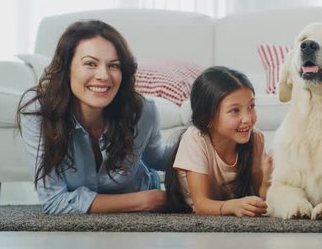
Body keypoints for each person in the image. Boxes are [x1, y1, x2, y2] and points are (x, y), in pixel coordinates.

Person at [18, 20, 168, 214]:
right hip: (142, 202)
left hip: (143, 198)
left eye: (114, 66)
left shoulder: (142, 111)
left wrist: (207, 143)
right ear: (66, 68)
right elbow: (54, 201)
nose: (103, 76)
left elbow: (157, 157)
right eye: (90, 63)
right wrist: (144, 200)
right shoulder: (39, 110)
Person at [164, 66, 271, 216]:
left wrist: (267, 180)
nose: (248, 119)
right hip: (195, 210)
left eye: (251, 106)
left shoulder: (256, 139)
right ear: (207, 118)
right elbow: (201, 205)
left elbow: (262, 197)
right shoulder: (196, 139)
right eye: (235, 110)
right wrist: (233, 206)